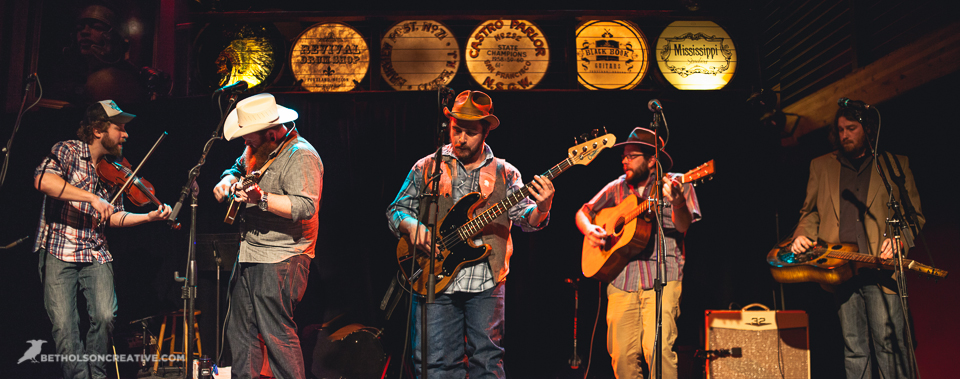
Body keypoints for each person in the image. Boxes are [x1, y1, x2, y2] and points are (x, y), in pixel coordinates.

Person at [385, 90, 554, 378]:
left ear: (486, 131)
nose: (461, 139)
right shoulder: (427, 166)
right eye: (456, 130)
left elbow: (528, 220)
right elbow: (397, 210)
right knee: (434, 364)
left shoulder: (506, 172)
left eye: (470, 133)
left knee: (487, 363)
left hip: (486, 280)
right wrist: (412, 226)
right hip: (433, 278)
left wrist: (544, 207)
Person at [33, 100, 172, 379]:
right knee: (64, 325)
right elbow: (42, 181)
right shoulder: (68, 150)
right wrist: (92, 198)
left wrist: (148, 218)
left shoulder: (114, 168)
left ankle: (96, 375)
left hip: (95, 253)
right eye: (119, 127)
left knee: (106, 316)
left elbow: (114, 217)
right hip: (59, 249)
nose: (126, 134)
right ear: (98, 130)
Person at [789, 106, 923, 379]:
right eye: (840, 130)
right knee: (854, 348)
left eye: (851, 129)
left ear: (868, 129)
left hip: (881, 270)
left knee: (890, 346)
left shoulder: (894, 165)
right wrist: (802, 233)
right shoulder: (822, 165)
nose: (845, 135)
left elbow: (914, 216)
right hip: (841, 270)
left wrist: (899, 242)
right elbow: (810, 211)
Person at [575, 127, 700, 379]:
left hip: (662, 277)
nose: (624, 161)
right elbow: (583, 212)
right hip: (621, 279)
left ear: (652, 160)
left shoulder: (675, 183)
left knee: (658, 351)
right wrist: (590, 230)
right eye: (623, 156)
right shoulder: (617, 187)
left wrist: (677, 202)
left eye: (631, 156)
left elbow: (684, 226)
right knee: (622, 357)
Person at [213, 93, 322, 379]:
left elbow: (305, 206)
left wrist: (261, 199)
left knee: (276, 336)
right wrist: (227, 179)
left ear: (272, 133)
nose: (244, 144)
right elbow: (237, 167)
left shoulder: (302, 156)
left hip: (283, 256)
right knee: (241, 332)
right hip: (250, 251)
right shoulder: (256, 149)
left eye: (249, 139)